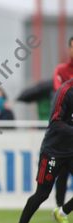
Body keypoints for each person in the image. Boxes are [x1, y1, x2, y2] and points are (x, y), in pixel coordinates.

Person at [12, 78, 73, 223]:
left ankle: (62, 212)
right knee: (42, 194)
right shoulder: (65, 91)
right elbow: (54, 121)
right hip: (53, 150)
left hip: (71, 150)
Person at [51, 36, 73, 208]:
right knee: (63, 170)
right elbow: (60, 93)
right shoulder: (61, 70)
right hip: (65, 128)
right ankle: (60, 206)